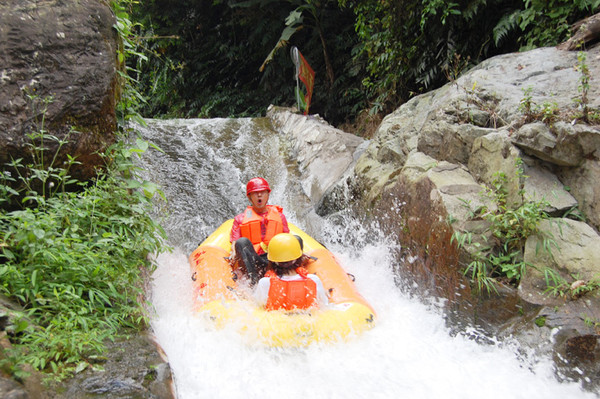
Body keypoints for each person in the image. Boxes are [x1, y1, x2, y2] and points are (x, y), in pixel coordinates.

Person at [230, 177, 290, 284]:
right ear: (249, 197)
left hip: (275, 259)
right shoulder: (240, 219)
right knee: (241, 242)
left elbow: (287, 239)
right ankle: (253, 283)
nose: (259, 195)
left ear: (268, 194)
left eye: (262, 192)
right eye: (255, 193)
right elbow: (235, 243)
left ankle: (287, 278)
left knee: (296, 240)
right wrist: (233, 255)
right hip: (254, 261)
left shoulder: (280, 217)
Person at [254, 233, 329, 311]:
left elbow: (258, 308)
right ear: (300, 258)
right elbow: (323, 306)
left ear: (272, 260)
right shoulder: (314, 280)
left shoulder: (265, 283)